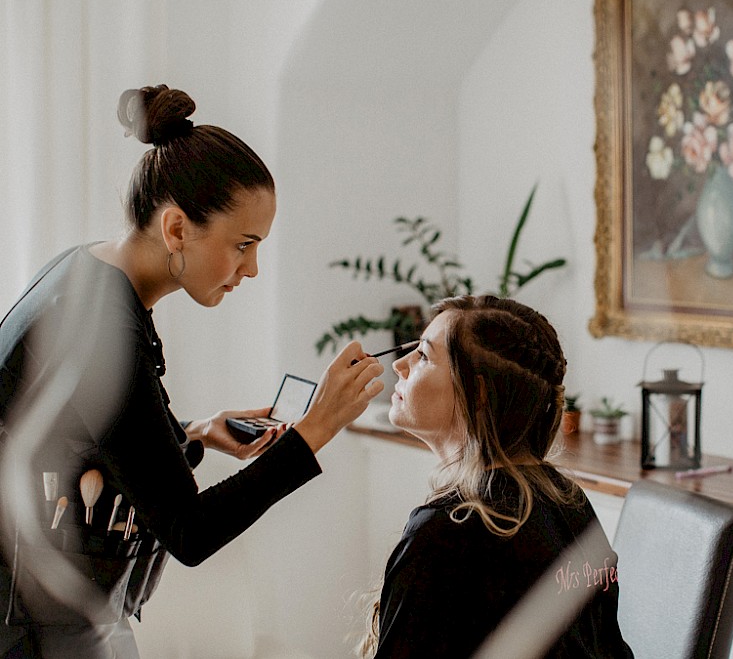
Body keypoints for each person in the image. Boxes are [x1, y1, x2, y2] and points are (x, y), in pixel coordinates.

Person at [0, 85, 385, 658]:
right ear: (177, 228)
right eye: (243, 245)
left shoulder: (86, 275)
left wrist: (196, 435)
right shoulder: (101, 325)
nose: (251, 269)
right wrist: (316, 429)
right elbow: (190, 531)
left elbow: (97, 437)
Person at [361, 295, 633, 658]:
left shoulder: (444, 534)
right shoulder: (569, 500)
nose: (401, 366)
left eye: (424, 355)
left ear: (479, 395)